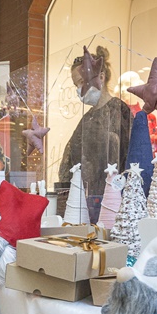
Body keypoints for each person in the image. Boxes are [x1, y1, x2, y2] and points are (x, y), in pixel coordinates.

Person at [58, 45, 133, 224]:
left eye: (82, 82)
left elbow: (126, 160)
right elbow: (69, 162)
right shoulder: (87, 119)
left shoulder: (118, 111)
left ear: (100, 76)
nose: (78, 89)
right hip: (85, 204)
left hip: (112, 203)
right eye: (76, 84)